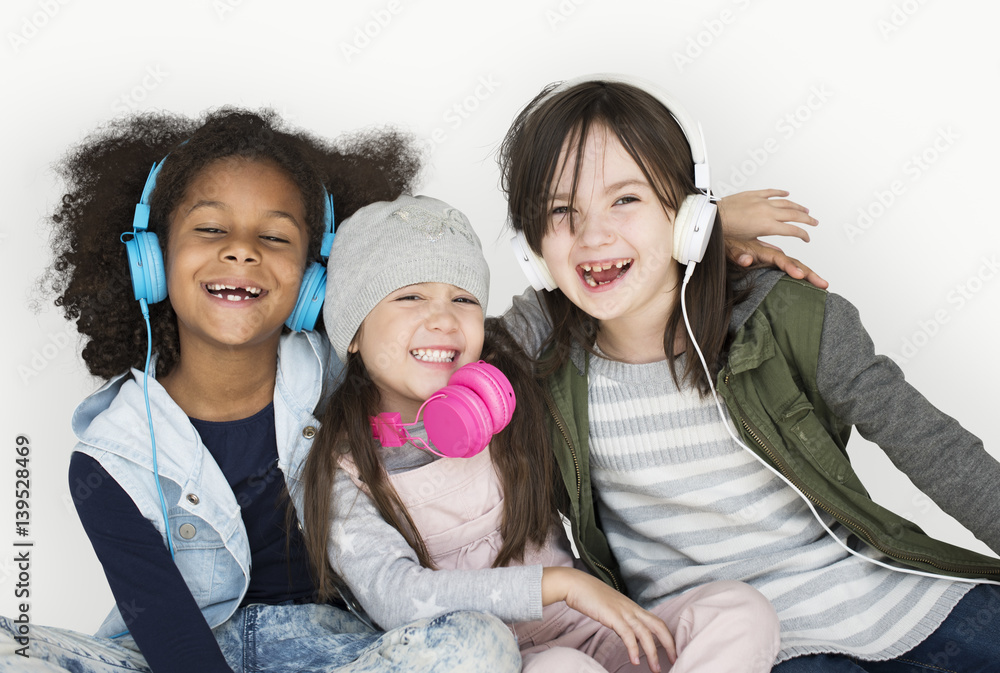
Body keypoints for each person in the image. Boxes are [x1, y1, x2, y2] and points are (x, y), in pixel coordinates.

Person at [497, 75, 1000, 671]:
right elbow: (441, 345)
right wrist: (703, 228)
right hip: (730, 642)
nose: (593, 235)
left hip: (887, 591)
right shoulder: (541, 366)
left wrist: (702, 230)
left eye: (625, 199)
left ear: (684, 212)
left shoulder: (785, 317)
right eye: (561, 211)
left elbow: (935, 448)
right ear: (532, 252)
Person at [0, 110, 522, 673]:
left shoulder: (346, 375)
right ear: (150, 257)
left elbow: (450, 353)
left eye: (274, 237)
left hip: (342, 651)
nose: (242, 251)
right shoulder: (110, 457)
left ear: (313, 278)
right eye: (209, 229)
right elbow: (170, 637)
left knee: (480, 644)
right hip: (175, 655)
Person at [298, 194, 782, 673]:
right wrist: (560, 585)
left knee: (739, 609)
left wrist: (696, 232)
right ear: (353, 332)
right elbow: (397, 596)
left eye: (463, 299)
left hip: (595, 629)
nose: (443, 319)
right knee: (563, 669)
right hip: (510, 660)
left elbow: (577, 291)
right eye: (410, 296)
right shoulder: (341, 469)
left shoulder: (502, 369)